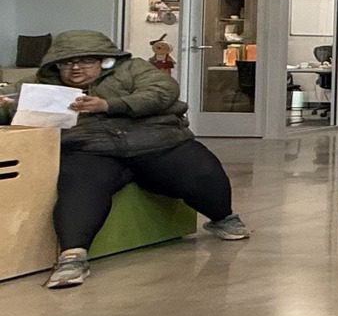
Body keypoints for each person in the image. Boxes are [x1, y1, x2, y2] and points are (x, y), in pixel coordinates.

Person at [37, 30, 247, 290]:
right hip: (90, 148)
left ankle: (223, 217)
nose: (76, 68)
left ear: (104, 60)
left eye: (86, 61)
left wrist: (109, 105)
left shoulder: (134, 69)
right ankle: (72, 256)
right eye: (66, 63)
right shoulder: (44, 86)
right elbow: (18, 109)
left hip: (156, 141)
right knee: (79, 186)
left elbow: (162, 91)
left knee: (200, 170)